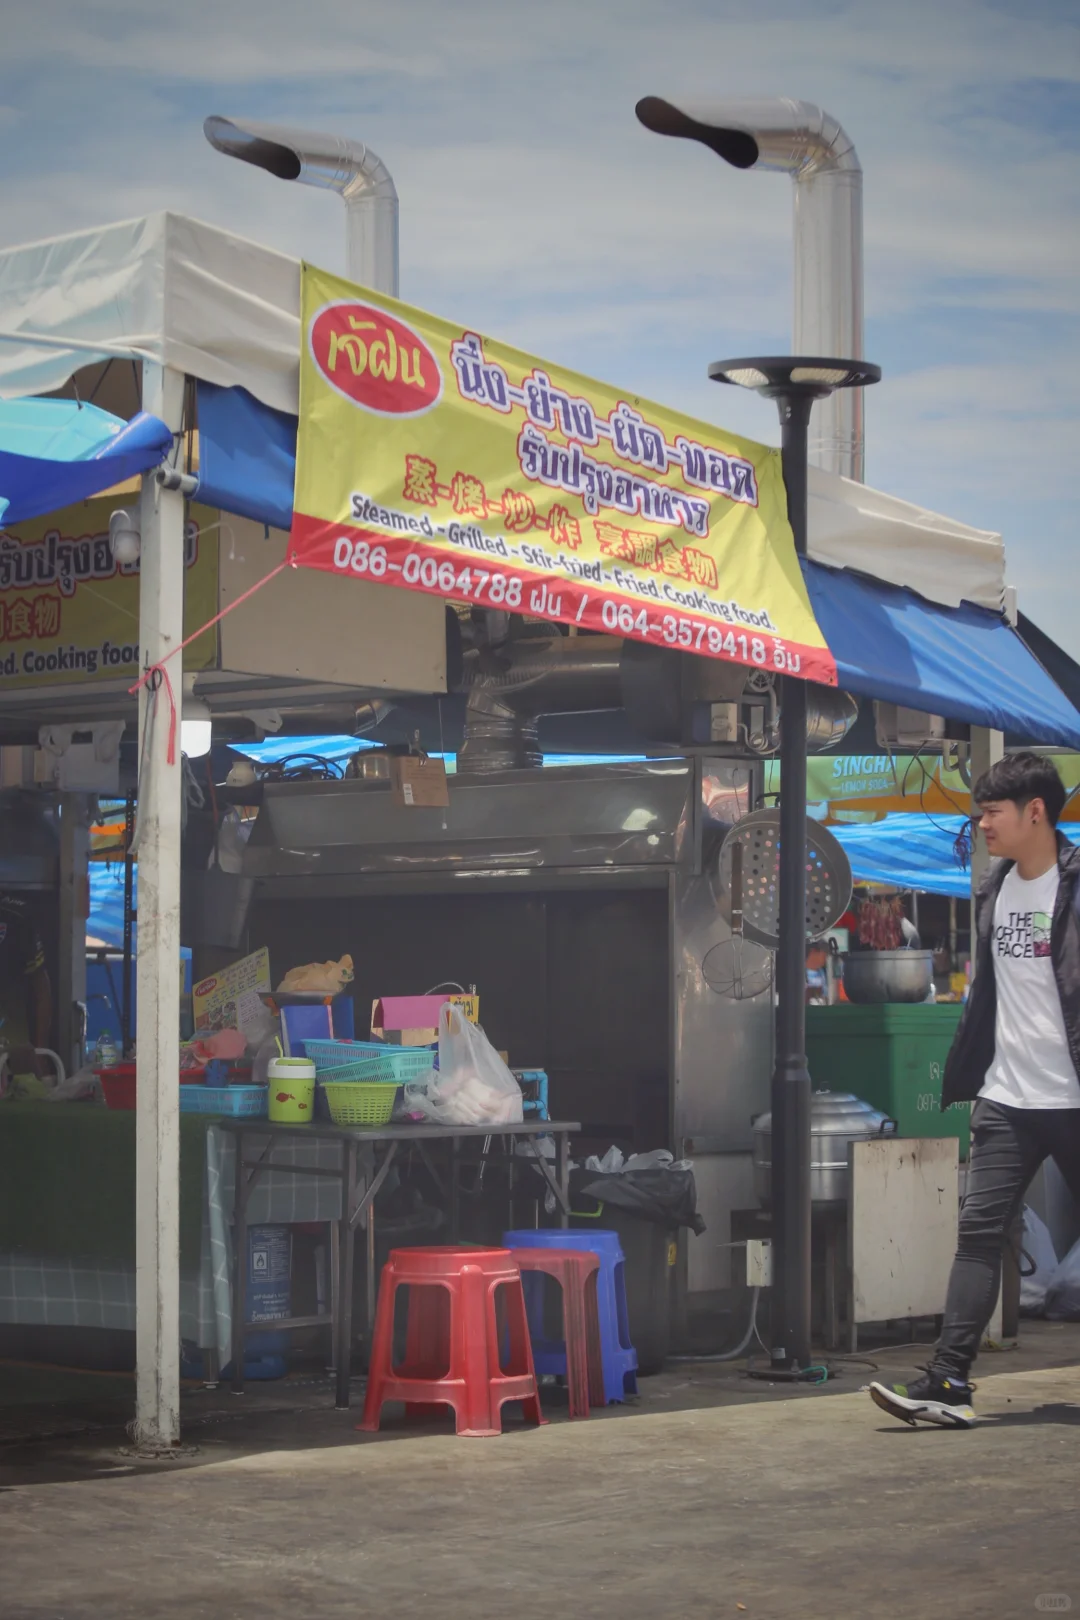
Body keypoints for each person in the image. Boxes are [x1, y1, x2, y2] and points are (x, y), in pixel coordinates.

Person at [869, 753, 1080, 1428]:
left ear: (1036, 813)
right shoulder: (993, 888)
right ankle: (948, 1380)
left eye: (992, 811)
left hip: (1074, 1099)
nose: (982, 823)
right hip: (1008, 1097)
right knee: (978, 1233)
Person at [0, 892, 51, 1068]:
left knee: (22, 1089)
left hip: (12, 1043)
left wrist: (40, 1052)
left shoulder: (18, 918)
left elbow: (42, 990)